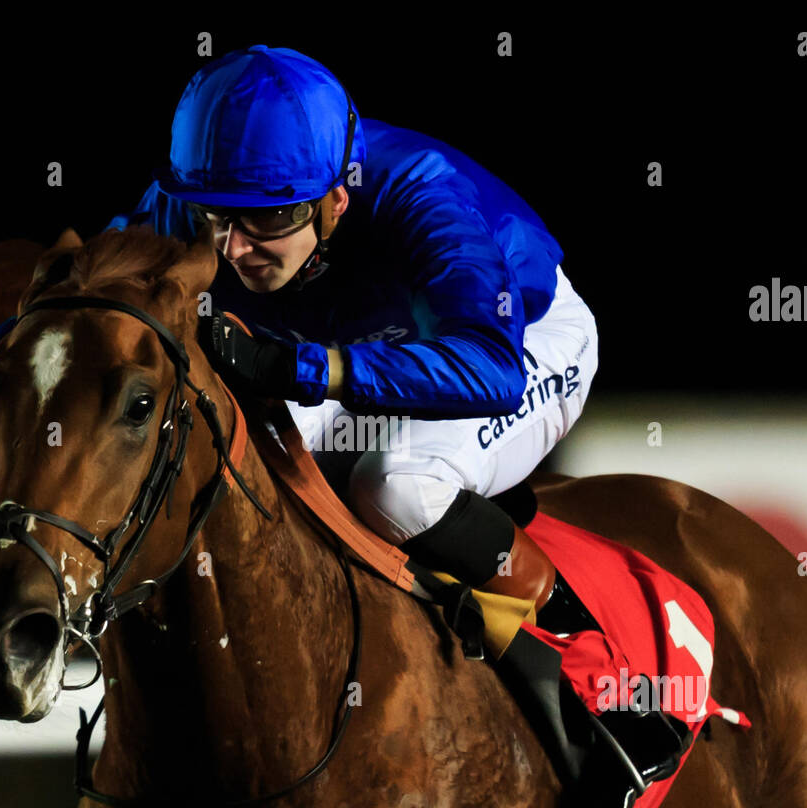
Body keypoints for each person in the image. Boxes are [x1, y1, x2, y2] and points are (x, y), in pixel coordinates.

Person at [106, 45, 600, 639]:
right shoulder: (183, 206)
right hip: (366, 352)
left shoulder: (421, 195)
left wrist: (290, 365)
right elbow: (90, 305)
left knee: (396, 486)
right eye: (215, 215)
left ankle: (580, 650)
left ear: (334, 200)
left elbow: (491, 372)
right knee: (241, 458)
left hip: (519, 343)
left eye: (265, 219)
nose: (232, 248)